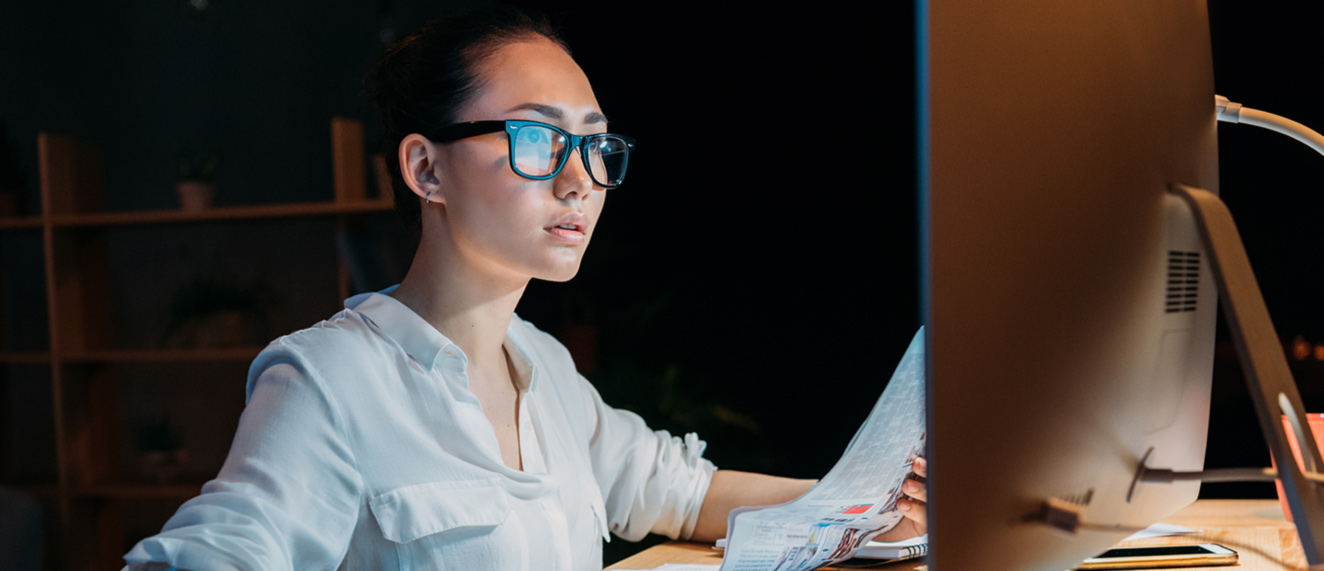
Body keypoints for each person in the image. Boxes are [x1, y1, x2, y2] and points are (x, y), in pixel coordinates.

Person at [122, 7, 926, 570]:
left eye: (596, 144)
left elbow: (678, 491)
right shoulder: (329, 381)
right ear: (425, 167)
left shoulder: (541, 367)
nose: (582, 180)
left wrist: (870, 500)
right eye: (540, 137)